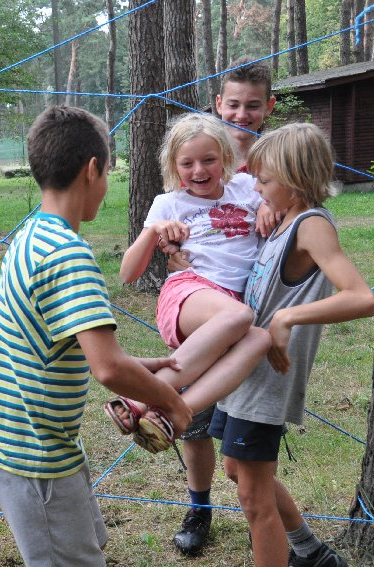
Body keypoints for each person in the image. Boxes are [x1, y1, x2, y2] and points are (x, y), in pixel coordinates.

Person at [0, 105, 192, 567]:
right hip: (33, 453)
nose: (107, 185)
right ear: (92, 169)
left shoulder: (31, 235)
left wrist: (143, 365)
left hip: (12, 438)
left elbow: (72, 344)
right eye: (109, 173)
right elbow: (107, 368)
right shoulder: (68, 253)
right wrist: (173, 402)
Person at [203, 123, 374, 567]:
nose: (255, 185)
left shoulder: (312, 225)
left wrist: (286, 318)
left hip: (267, 381)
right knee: (236, 470)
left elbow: (361, 297)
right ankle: (312, 554)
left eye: (265, 178)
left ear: (296, 178)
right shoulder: (282, 218)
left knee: (255, 499)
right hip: (243, 373)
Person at [106, 112, 272, 491]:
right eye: (187, 163)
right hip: (189, 293)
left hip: (230, 309)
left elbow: (279, 194)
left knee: (259, 338)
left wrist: (267, 205)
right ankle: (140, 397)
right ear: (173, 165)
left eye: (208, 160)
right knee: (241, 317)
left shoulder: (246, 189)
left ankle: (173, 415)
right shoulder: (168, 203)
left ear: (225, 157)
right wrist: (153, 231)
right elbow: (127, 274)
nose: (198, 170)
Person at [166, 58, 279, 556]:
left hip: (254, 310)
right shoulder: (200, 155)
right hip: (204, 307)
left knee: (244, 432)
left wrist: (272, 201)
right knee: (194, 423)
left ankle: (268, 516)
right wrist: (170, 248)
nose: (242, 114)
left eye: (253, 105)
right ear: (218, 104)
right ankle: (200, 507)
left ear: (268, 107)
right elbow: (175, 226)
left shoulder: (272, 162)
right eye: (233, 104)